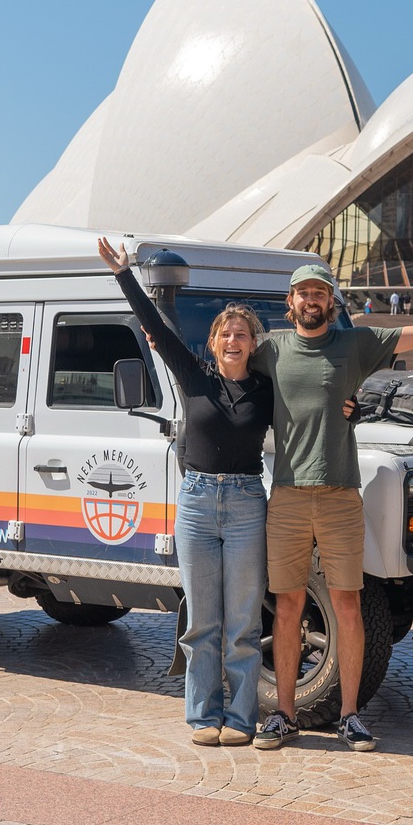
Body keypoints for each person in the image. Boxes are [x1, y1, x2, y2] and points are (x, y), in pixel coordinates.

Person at [251, 247, 413, 752]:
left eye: (320, 293)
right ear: (290, 302)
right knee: (287, 607)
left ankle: (349, 714)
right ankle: (283, 715)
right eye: (304, 293)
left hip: (341, 496)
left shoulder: (356, 343)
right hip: (285, 497)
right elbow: (225, 358)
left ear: (331, 301)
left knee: (348, 605)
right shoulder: (273, 349)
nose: (311, 300)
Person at [96, 238, 278, 746]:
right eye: (226, 334)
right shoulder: (193, 377)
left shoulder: (266, 392)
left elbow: (311, 400)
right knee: (202, 621)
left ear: (252, 343)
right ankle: (203, 717)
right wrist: (124, 274)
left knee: (242, 623)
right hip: (196, 505)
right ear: (215, 342)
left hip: (245, 505)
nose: (234, 340)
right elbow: (154, 326)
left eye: (242, 334)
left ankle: (241, 720)